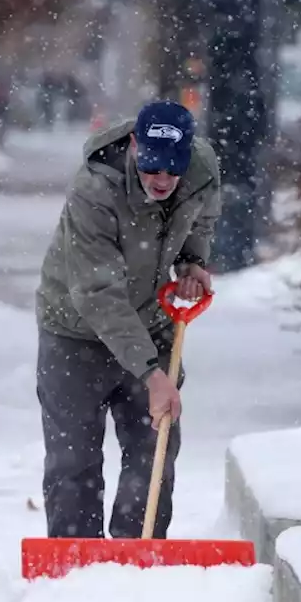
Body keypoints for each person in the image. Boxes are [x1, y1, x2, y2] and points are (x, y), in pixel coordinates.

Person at [35, 100, 220, 540]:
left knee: (153, 451)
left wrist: (193, 261)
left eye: (170, 172)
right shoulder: (94, 191)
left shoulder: (201, 169)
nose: (160, 181)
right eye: (151, 168)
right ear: (135, 144)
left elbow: (202, 216)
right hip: (75, 331)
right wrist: (153, 375)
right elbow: (98, 294)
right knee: (73, 460)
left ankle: (138, 560)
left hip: (152, 322)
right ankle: (74, 566)